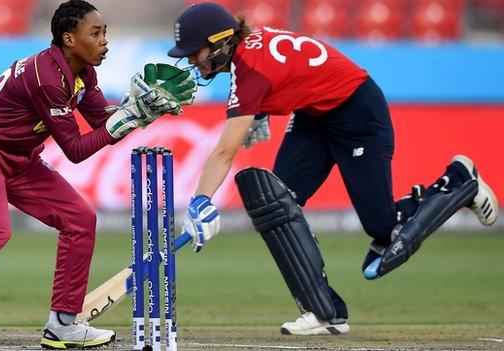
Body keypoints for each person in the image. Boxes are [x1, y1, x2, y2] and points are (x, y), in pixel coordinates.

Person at [171, 2, 498, 336]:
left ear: (222, 41)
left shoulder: (248, 71)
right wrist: (260, 112)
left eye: (195, 52)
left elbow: (226, 150)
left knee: (384, 230)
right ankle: (323, 311)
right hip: (314, 115)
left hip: (356, 110)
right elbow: (291, 70)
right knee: (275, 206)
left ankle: (459, 181)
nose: (192, 60)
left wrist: (200, 201)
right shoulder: (250, 47)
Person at [0, 1, 195, 350]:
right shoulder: (46, 75)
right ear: (69, 39)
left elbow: (99, 120)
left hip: (20, 159)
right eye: (96, 33)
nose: (105, 40)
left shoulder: (84, 73)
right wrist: (129, 118)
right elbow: (75, 150)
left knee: (80, 219)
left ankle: (63, 324)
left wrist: (137, 110)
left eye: (105, 32)